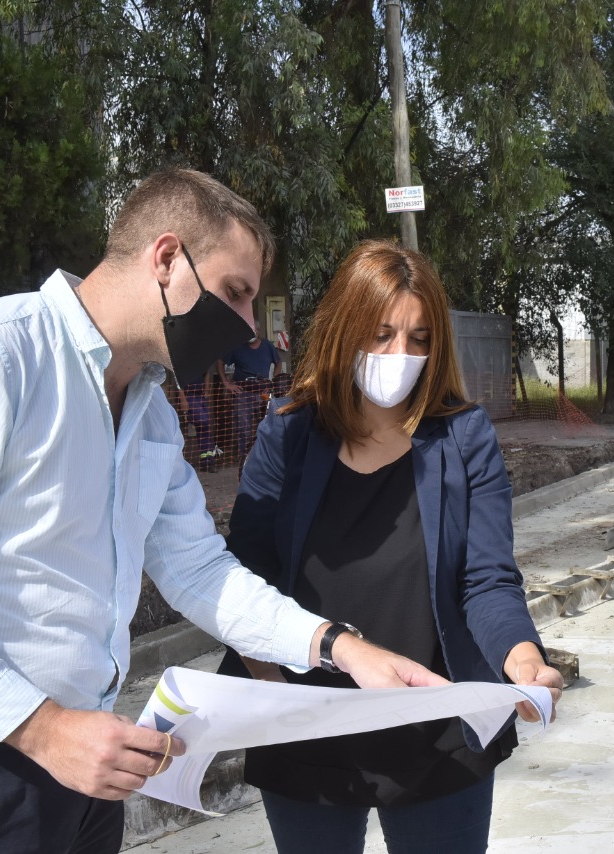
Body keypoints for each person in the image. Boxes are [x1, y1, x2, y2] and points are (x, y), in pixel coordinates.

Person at [0, 170, 445, 854]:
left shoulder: (150, 410)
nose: (244, 326)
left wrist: (338, 646)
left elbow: (199, 571)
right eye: (236, 293)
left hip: (82, 763)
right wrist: (42, 727)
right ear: (167, 257)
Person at [217, 239, 563, 854]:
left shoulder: (464, 437)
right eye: (380, 334)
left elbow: (487, 578)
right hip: (307, 727)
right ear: (342, 331)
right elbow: (245, 577)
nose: (400, 355)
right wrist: (271, 692)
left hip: (436, 732)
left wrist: (521, 655)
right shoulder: (287, 431)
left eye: (419, 339)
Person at [217, 323, 282, 461]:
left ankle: (264, 457)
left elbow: (278, 363)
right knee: (243, 426)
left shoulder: (267, 346)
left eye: (253, 330)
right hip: (243, 393)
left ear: (258, 330)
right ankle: (245, 457)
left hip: (263, 392)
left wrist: (273, 384)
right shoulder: (237, 347)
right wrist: (226, 383)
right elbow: (220, 362)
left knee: (265, 424)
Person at [176, 366, 223, 470]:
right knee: (203, 422)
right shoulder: (183, 363)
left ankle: (207, 460)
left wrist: (206, 389)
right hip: (190, 396)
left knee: (205, 427)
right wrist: (183, 399)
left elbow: (207, 373)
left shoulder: (198, 361)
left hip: (200, 395)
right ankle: (207, 460)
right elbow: (177, 382)